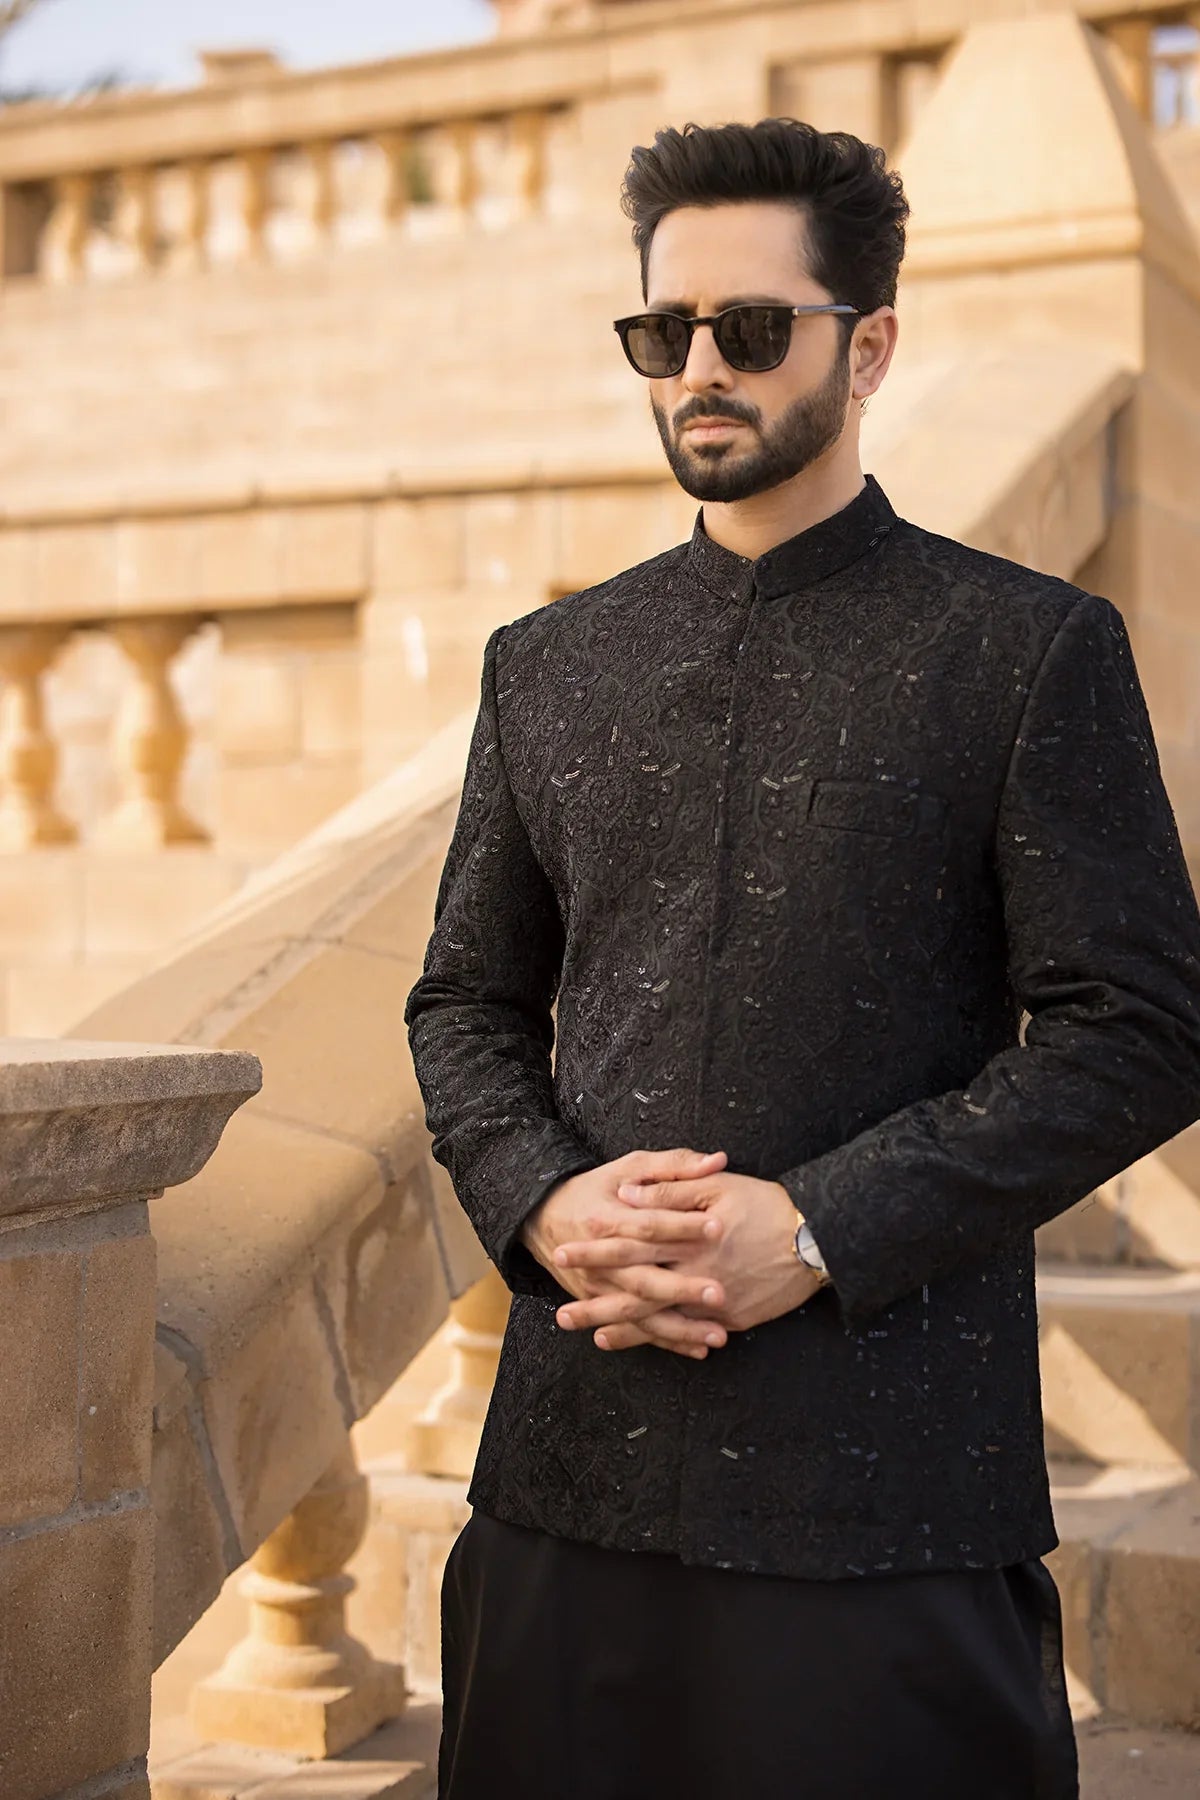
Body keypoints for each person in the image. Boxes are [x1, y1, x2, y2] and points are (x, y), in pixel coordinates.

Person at [404, 118, 1200, 1800]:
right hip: (568, 1483)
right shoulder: (546, 664)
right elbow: (466, 999)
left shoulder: (1028, 648)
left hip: (888, 1504)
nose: (700, 368)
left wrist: (823, 1227)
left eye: (751, 329)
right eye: (663, 331)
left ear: (871, 345)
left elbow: (1138, 1030)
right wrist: (543, 1201)